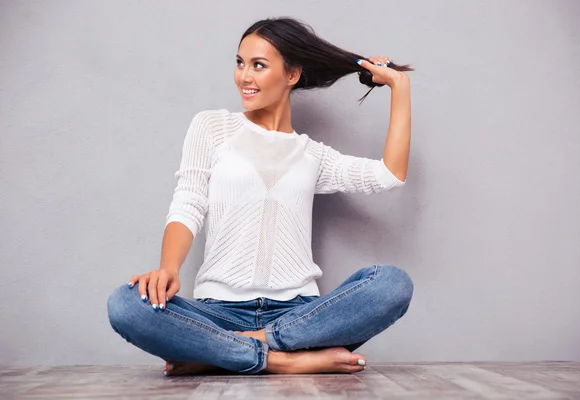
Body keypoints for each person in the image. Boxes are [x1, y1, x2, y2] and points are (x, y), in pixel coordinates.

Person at [107, 16, 414, 376]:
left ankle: (234, 349)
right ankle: (283, 360)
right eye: (240, 63)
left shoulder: (312, 156)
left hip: (300, 314)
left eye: (258, 65)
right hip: (217, 312)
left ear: (292, 74)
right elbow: (188, 202)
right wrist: (168, 270)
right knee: (127, 304)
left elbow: (389, 174)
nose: (244, 77)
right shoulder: (212, 127)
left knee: (392, 284)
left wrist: (400, 87)